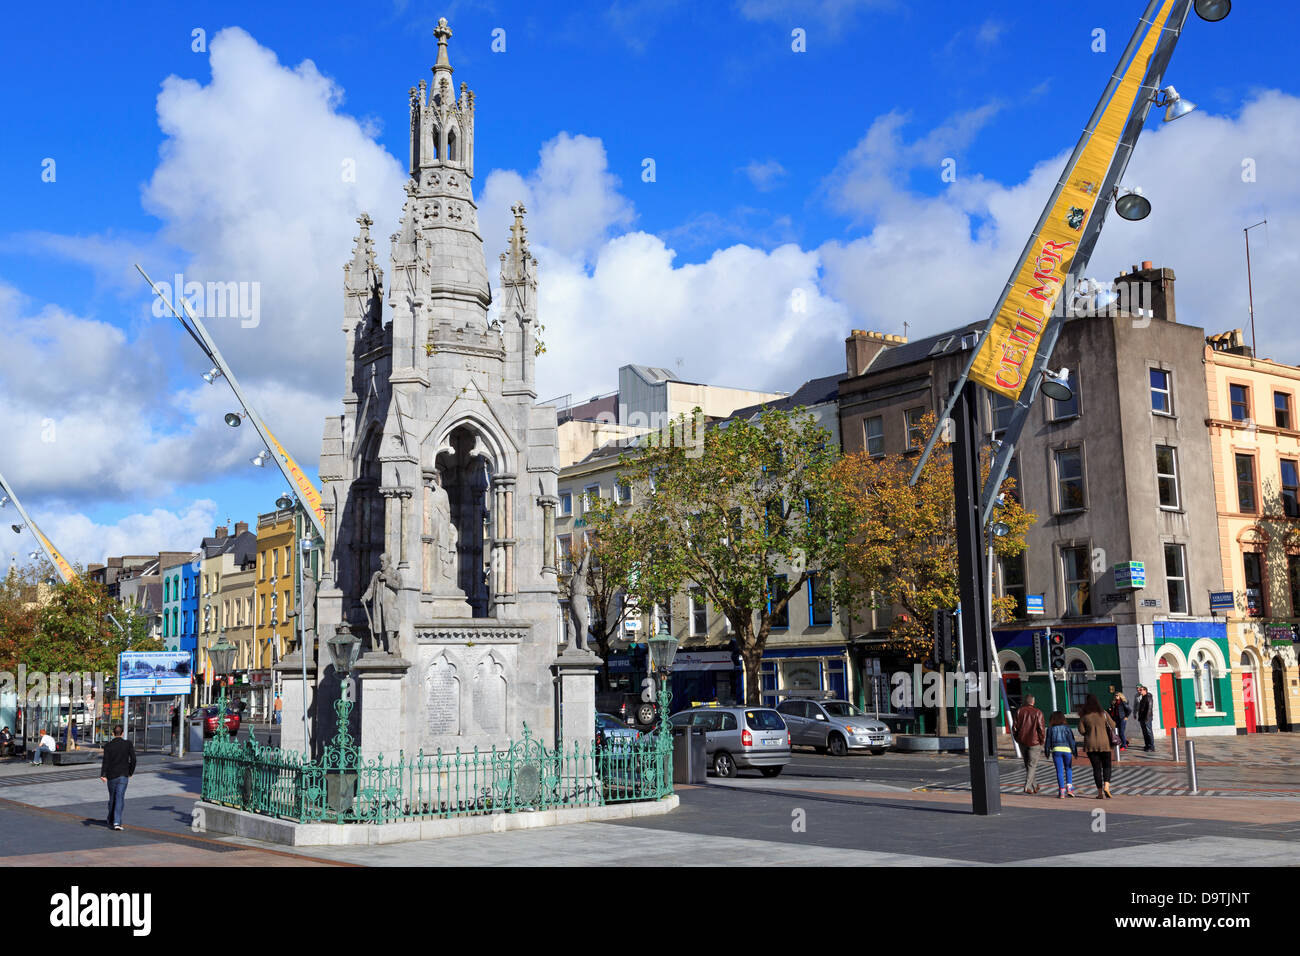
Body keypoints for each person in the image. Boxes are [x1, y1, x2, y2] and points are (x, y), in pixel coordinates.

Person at [1079, 694, 1118, 798]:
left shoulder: (1084, 716)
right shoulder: (1104, 713)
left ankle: (1100, 793)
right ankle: (1107, 786)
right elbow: (1113, 725)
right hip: (1105, 744)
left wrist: (1089, 731)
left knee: (1096, 769)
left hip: (1091, 745)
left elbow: (1081, 730)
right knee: (1107, 766)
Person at [99, 723, 137, 831]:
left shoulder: (108, 746)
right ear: (123, 733)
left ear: (112, 733)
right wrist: (130, 772)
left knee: (112, 798)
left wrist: (103, 774)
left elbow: (105, 761)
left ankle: (111, 819)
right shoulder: (128, 744)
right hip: (123, 775)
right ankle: (116, 822)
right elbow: (133, 759)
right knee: (119, 797)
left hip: (111, 775)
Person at [1011, 695, 1046, 794]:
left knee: (1028, 765)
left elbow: (1014, 728)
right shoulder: (1038, 712)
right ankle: (1027, 786)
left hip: (1022, 742)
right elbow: (1041, 729)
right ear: (1033, 702)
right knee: (1032, 765)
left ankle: (1034, 785)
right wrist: (1042, 741)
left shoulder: (1019, 711)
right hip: (1034, 742)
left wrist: (1018, 739)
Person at [1043, 711, 1077, 798]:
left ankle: (1062, 791)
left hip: (1056, 750)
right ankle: (1069, 788)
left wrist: (1047, 751)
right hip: (1067, 750)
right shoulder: (1067, 728)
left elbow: (1047, 742)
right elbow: (1071, 740)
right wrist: (1074, 751)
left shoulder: (1050, 729)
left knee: (1059, 771)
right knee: (1068, 769)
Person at [1136, 685, 1155, 751]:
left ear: (1145, 690)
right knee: (1144, 732)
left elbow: (1149, 708)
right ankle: (1147, 745)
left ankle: (1152, 746)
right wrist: (1139, 717)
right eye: (1139, 690)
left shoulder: (1148, 697)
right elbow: (1141, 709)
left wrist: (1147, 717)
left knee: (1149, 731)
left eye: (1141, 690)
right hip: (1142, 717)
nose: (1139, 691)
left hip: (1147, 718)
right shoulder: (1143, 698)